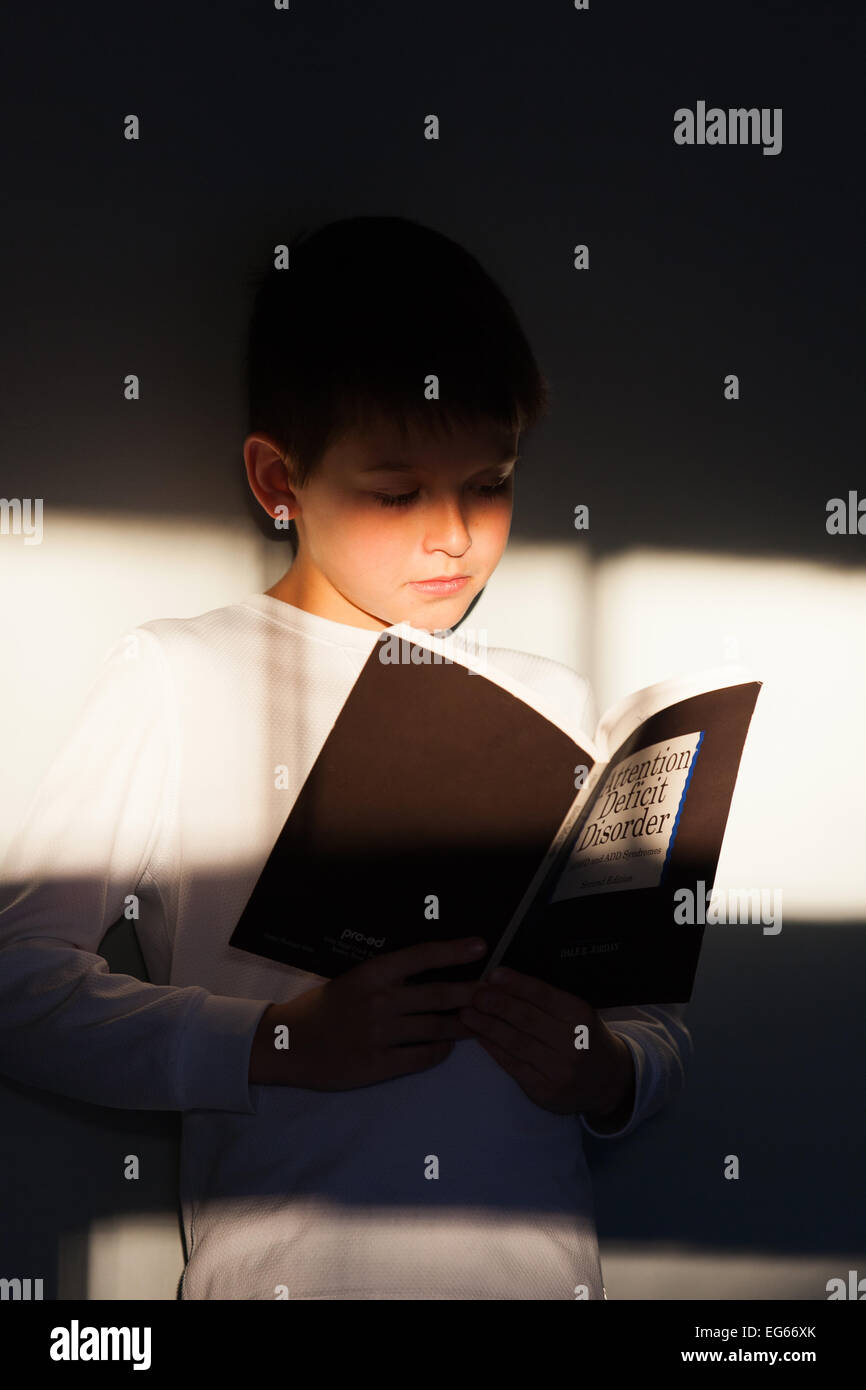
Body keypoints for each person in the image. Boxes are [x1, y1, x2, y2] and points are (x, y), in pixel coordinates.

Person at [0, 215, 691, 1300]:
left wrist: (605, 1068)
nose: (453, 535)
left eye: (489, 480)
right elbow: (18, 987)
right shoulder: (181, 674)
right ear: (281, 478)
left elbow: (649, 1020)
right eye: (396, 489)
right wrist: (274, 1042)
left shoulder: (552, 699)